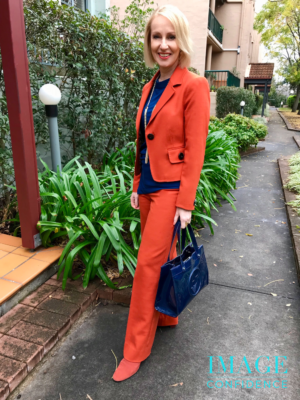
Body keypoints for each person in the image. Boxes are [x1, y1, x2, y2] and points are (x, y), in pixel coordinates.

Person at [112, 4, 210, 382]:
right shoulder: (149, 86)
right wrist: (137, 184)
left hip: (172, 191)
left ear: (180, 40)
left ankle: (134, 349)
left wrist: (186, 203)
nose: (163, 44)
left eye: (170, 36)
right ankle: (168, 315)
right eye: (157, 36)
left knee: (149, 265)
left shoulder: (194, 85)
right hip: (150, 189)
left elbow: (196, 147)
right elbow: (142, 140)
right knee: (165, 256)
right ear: (149, 41)